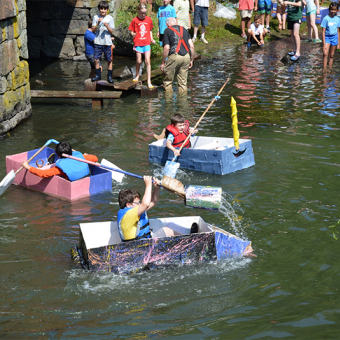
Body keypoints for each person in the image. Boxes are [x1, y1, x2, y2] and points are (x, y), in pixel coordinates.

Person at [117, 177, 178, 242]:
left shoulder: (136, 212)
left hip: (145, 243)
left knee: (166, 231)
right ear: (128, 204)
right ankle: (189, 243)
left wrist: (156, 188)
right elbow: (145, 204)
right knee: (167, 231)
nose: (139, 204)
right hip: (137, 247)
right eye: (137, 203)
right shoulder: (128, 215)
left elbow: (153, 201)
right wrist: (148, 185)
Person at [22, 142, 97, 182]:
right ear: (71, 151)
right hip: (88, 181)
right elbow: (95, 158)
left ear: (58, 155)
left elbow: (43, 174)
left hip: (73, 184)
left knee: (57, 174)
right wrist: (85, 155)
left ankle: (49, 163)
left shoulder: (60, 168)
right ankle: (49, 163)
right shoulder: (82, 157)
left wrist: (28, 167)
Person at [160, 17, 195, 94]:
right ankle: (183, 103)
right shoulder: (184, 29)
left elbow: (166, 48)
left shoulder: (167, 30)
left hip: (174, 56)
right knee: (183, 84)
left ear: (167, 25)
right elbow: (192, 46)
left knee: (168, 82)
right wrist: (191, 59)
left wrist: (163, 62)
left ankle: (168, 103)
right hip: (186, 57)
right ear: (176, 23)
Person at [129, 3, 155, 89]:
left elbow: (150, 30)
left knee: (147, 61)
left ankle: (149, 81)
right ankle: (137, 75)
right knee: (139, 61)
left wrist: (152, 39)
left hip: (147, 42)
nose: (143, 15)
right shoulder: (134, 20)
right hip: (138, 43)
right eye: (142, 13)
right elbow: (131, 31)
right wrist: (132, 34)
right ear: (138, 11)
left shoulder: (148, 19)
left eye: (145, 13)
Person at [91, 1, 115, 83]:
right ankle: (98, 76)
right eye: (101, 9)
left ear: (107, 10)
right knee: (96, 59)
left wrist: (107, 26)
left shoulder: (110, 18)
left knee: (109, 60)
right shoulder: (95, 17)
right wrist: (98, 23)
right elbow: (93, 30)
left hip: (107, 42)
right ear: (99, 9)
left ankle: (109, 77)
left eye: (105, 9)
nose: (103, 10)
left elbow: (111, 32)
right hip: (98, 42)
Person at [321, 2, 340, 70]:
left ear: (337, 10)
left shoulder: (337, 19)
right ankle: (324, 69)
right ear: (329, 9)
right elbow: (323, 32)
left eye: (334, 10)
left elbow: (338, 31)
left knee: (331, 55)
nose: (333, 11)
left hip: (334, 38)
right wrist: (323, 45)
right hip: (327, 37)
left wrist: (338, 44)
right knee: (325, 53)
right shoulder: (326, 18)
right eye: (332, 9)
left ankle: (330, 68)